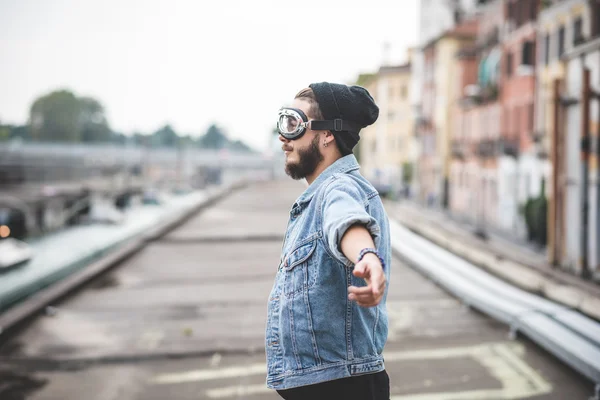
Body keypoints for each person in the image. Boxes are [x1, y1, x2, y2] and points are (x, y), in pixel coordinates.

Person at [266, 82, 391, 400]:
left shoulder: (337, 189)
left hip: (344, 385)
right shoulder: (316, 196)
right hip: (332, 382)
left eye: (293, 124)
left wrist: (366, 255)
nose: (283, 137)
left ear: (327, 134)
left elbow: (345, 220)